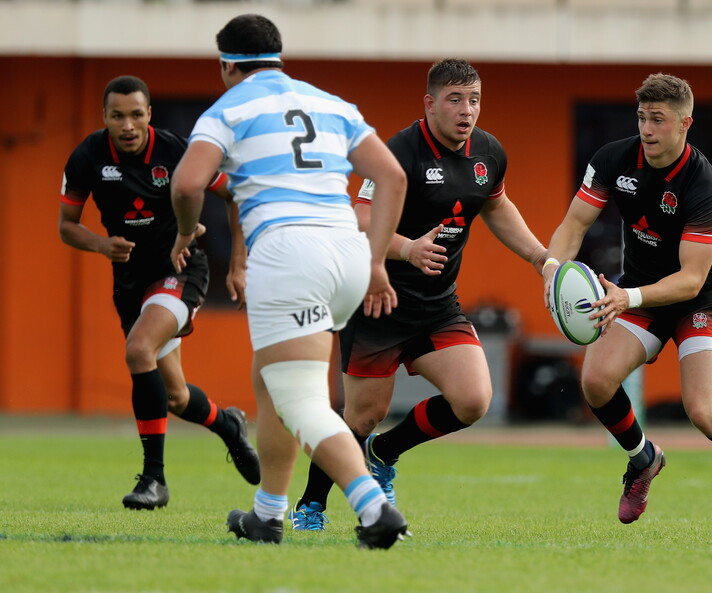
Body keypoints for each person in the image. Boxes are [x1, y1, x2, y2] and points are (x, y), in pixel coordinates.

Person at [540, 73, 712, 542]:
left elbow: (691, 278)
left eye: (659, 120)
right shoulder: (612, 159)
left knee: (705, 412)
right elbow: (573, 225)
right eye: (642, 118)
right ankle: (643, 458)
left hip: (696, 299)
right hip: (640, 293)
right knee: (595, 381)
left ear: (685, 123)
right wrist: (552, 269)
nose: (647, 129)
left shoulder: (704, 185)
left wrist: (626, 297)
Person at [170, 13, 409, 549]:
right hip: (347, 253)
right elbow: (392, 176)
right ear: (277, 57)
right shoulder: (331, 103)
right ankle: (267, 514)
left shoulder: (229, 108)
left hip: (289, 254)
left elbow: (187, 184)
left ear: (227, 65)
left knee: (300, 400)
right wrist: (374, 261)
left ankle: (375, 511)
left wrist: (186, 233)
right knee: (271, 380)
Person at [288, 58, 547, 531]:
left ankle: (384, 453)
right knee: (362, 415)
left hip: (437, 306)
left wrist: (538, 257)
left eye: (474, 100)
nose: (467, 110)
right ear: (429, 103)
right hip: (378, 301)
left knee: (472, 399)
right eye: (455, 100)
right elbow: (360, 217)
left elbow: (496, 205)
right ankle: (310, 506)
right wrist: (407, 249)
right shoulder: (400, 151)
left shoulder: (488, 152)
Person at [58, 75, 260, 510]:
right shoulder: (87, 156)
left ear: (149, 114)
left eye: (136, 114)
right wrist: (101, 244)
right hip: (130, 281)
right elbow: (66, 227)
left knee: (138, 350)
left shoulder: (176, 151)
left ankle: (154, 480)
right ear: (105, 117)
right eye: (118, 116)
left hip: (179, 270)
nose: (127, 125)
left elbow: (235, 194)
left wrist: (239, 264)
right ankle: (228, 426)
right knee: (175, 397)